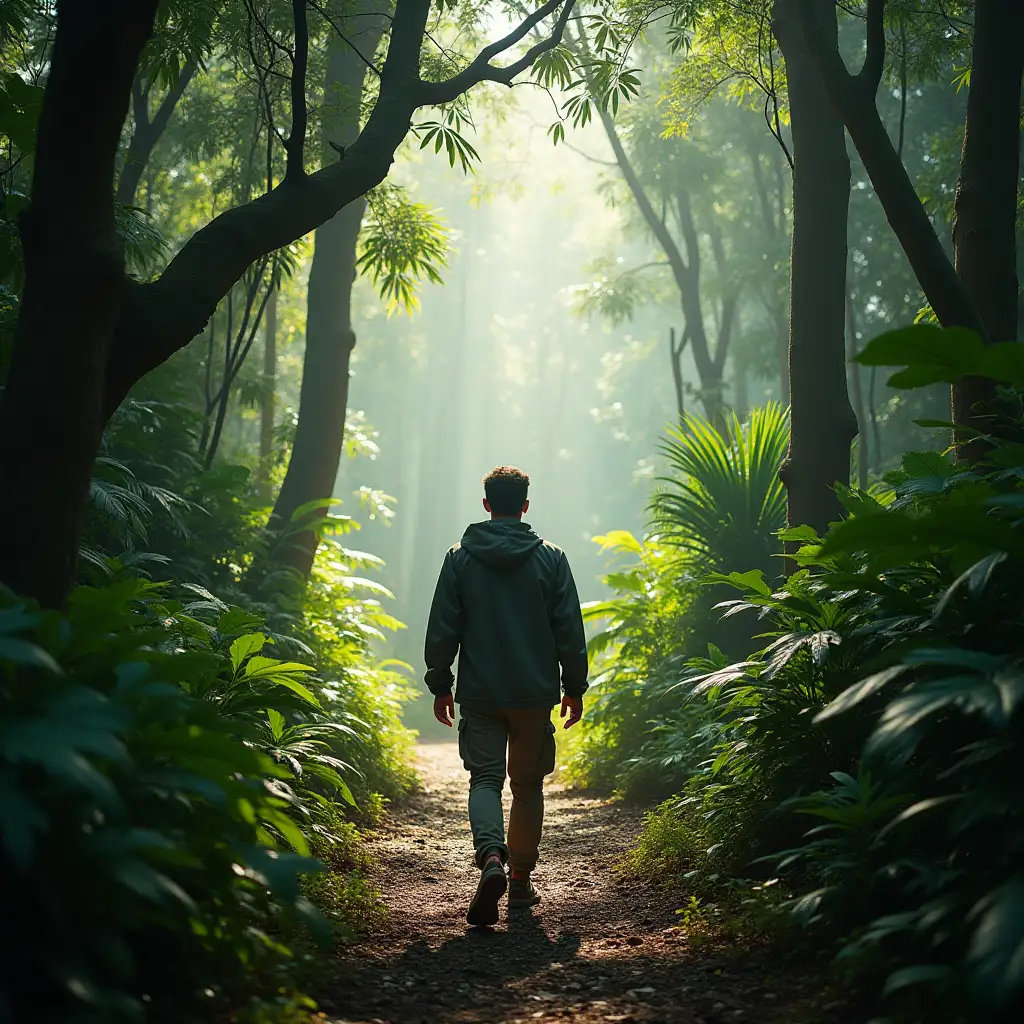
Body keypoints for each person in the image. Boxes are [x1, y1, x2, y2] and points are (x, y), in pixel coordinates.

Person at [424, 465, 589, 927]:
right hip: (534, 694)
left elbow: (443, 627)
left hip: (479, 692)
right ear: (525, 506)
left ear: (486, 505)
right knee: (528, 785)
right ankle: (519, 882)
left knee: (485, 781)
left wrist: (441, 683)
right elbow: (569, 629)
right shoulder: (551, 559)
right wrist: (574, 686)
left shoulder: (459, 558)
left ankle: (490, 858)